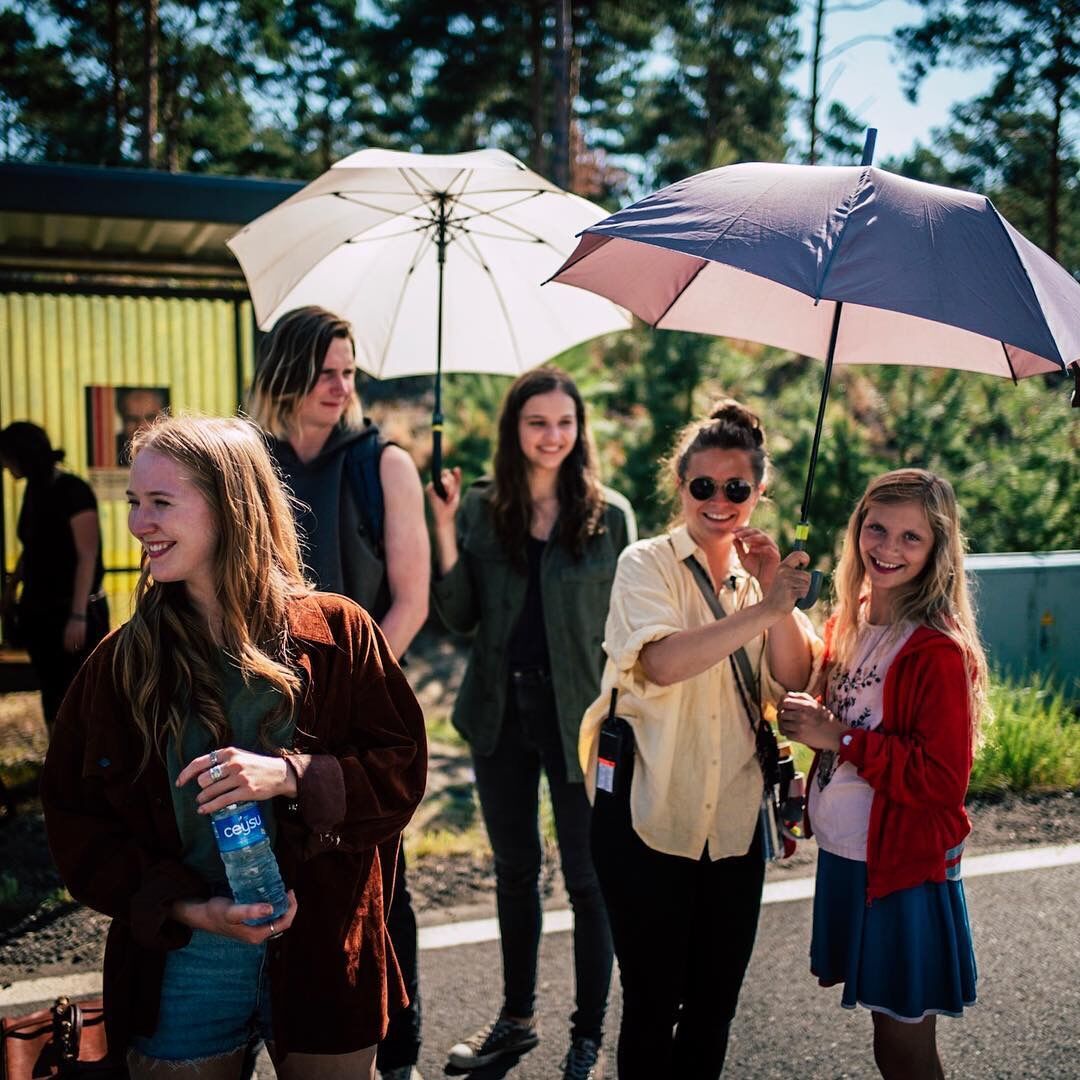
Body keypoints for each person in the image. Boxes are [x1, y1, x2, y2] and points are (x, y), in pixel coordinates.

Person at [41, 416, 427, 1080]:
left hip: (322, 948)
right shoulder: (120, 664)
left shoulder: (340, 633)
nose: (137, 523)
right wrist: (187, 908)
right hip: (184, 958)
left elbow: (402, 773)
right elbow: (76, 822)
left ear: (231, 506)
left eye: (161, 502)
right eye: (134, 502)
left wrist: (291, 777)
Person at [580, 400, 820, 1079]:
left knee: (714, 1010)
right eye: (703, 485)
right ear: (680, 484)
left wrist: (774, 596)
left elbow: (793, 676)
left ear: (759, 491)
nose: (719, 501)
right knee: (652, 1005)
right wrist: (767, 609)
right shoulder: (645, 563)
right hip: (646, 816)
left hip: (735, 825)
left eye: (736, 488)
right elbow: (661, 663)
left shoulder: (761, 579)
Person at [427, 367, 636, 1080]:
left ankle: (587, 1037)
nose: (552, 436)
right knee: (516, 872)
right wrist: (443, 526)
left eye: (564, 422)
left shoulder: (611, 517)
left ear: (580, 430)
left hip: (583, 720)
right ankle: (516, 1022)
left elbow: (630, 629)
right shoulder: (480, 510)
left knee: (588, 879)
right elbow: (459, 617)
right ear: (514, 429)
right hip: (500, 712)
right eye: (537, 422)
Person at [247, 306, 429, 1080]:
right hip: (261, 708)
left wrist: (350, 688)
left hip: (360, 706)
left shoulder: (382, 464)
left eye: (350, 371)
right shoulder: (248, 460)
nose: (342, 386)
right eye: (326, 371)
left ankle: (398, 1053)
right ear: (287, 372)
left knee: (379, 887)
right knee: (271, 879)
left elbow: (412, 599)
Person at [778, 468, 983, 1080]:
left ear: (937, 549)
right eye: (876, 529)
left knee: (902, 1044)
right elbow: (845, 723)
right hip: (849, 856)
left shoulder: (936, 649)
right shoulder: (851, 620)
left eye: (911, 537)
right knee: (883, 1035)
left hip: (900, 867)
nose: (888, 548)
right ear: (857, 530)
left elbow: (941, 781)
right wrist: (811, 773)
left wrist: (835, 737)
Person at [0, 421, 109, 735]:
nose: (5, 466)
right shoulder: (35, 490)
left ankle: (87, 757)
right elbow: (31, 546)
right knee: (51, 689)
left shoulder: (73, 490)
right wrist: (11, 589)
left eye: (7, 457)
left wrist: (78, 615)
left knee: (79, 689)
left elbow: (87, 554)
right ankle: (58, 755)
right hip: (40, 611)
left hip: (72, 610)